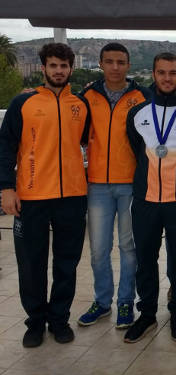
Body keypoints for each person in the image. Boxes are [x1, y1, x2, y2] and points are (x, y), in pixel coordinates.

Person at [0, 43, 89, 347]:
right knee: (31, 263)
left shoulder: (80, 105)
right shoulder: (22, 104)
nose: (59, 71)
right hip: (32, 196)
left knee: (67, 262)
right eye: (53, 65)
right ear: (44, 69)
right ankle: (35, 322)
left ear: (70, 69)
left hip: (72, 196)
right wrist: (6, 188)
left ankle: (59, 320)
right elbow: (6, 147)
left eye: (64, 66)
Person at [123, 52, 176, 343]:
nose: (167, 78)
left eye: (173, 73)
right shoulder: (138, 114)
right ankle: (146, 314)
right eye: (162, 73)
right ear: (154, 75)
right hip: (145, 200)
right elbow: (137, 150)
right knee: (145, 259)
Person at [77, 43, 151, 329]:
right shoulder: (88, 96)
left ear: (129, 65)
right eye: (110, 62)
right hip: (97, 185)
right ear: (101, 64)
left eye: (121, 62)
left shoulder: (142, 96)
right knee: (98, 249)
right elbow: (79, 133)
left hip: (131, 183)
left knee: (128, 247)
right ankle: (102, 301)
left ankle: (125, 303)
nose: (115, 67)